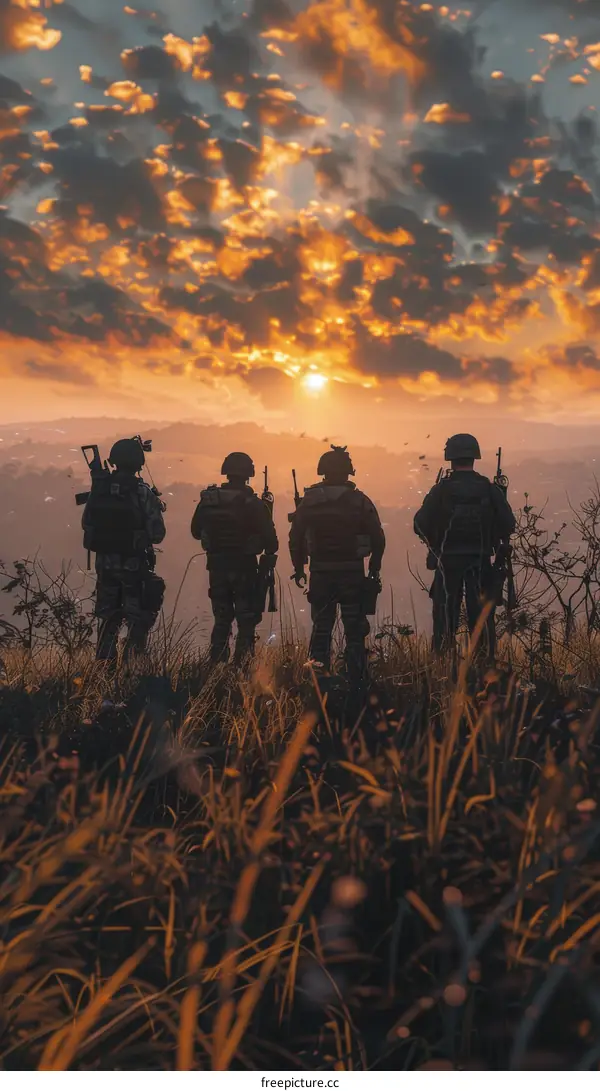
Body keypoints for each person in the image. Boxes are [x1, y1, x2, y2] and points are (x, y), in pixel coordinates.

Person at [289, 445, 385, 684]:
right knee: (354, 630)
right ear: (348, 472)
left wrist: (299, 567)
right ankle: (356, 678)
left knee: (322, 627)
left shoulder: (310, 502)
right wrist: (374, 567)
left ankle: (318, 679)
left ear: (323, 471)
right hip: (352, 573)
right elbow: (378, 537)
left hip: (321, 573)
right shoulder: (360, 501)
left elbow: (296, 537)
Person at [413, 433, 516, 657]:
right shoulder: (489, 489)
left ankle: (442, 669)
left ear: (450, 458)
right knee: (480, 622)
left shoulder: (441, 490)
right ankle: (483, 673)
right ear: (474, 457)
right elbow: (509, 524)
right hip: (479, 562)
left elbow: (419, 524)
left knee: (444, 621)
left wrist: (435, 544)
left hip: (446, 563)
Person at [82, 437, 166, 663]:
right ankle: (133, 662)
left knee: (108, 618)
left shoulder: (101, 489)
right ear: (138, 462)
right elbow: (157, 534)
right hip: (134, 566)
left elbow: (87, 523)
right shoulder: (142, 492)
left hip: (105, 565)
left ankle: (104, 666)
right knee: (139, 615)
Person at [191, 452, 279, 666]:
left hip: (217, 568)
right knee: (246, 621)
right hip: (244, 569)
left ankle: (216, 665)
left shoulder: (210, 500)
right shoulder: (254, 504)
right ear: (248, 474)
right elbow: (272, 545)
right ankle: (242, 667)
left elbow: (195, 531)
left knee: (221, 620)